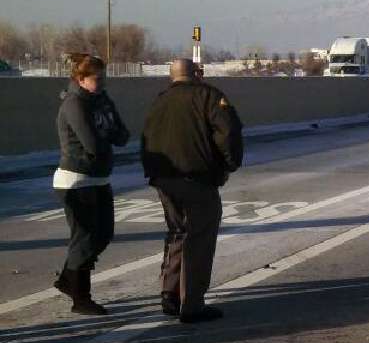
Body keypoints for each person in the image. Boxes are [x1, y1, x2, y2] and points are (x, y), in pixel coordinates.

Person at [141, 59, 243, 323]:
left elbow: (147, 137)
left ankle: (169, 293)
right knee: (199, 239)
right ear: (196, 74)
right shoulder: (209, 96)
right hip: (197, 179)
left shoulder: (159, 100)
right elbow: (228, 132)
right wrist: (229, 164)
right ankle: (192, 303)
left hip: (164, 179)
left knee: (177, 233)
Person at [52, 53, 129, 315]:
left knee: (104, 234)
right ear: (81, 79)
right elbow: (92, 144)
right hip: (76, 180)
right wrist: (108, 135)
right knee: (84, 239)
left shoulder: (102, 100)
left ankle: (67, 280)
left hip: (99, 177)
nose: (103, 83)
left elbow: (123, 135)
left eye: (104, 77)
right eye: (98, 79)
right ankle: (80, 298)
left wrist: (108, 135)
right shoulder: (74, 104)